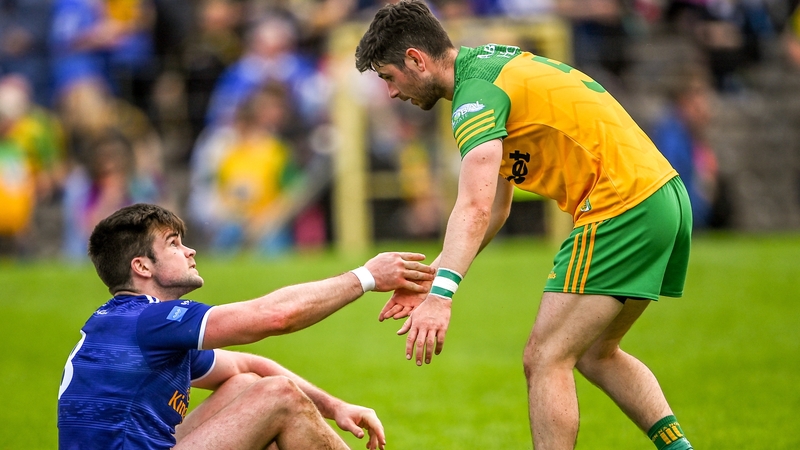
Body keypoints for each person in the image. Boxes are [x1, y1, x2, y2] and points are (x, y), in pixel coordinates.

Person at [355, 1, 694, 449]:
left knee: (545, 357)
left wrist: (441, 298)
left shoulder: (474, 98)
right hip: (663, 196)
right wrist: (435, 274)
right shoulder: (490, 68)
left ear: (416, 59)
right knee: (596, 353)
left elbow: (473, 207)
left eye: (388, 77)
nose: (391, 93)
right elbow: (496, 209)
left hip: (621, 205)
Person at [57, 202, 435, 449]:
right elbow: (275, 316)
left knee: (245, 386)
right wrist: (367, 276)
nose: (189, 251)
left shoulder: (126, 321)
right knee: (279, 397)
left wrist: (335, 407)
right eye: (173, 244)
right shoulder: (148, 319)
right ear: (142, 266)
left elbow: (246, 365)